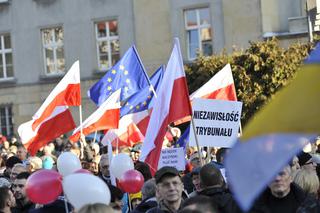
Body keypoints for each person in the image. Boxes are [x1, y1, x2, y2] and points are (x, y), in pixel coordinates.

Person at [251, 165, 320, 213]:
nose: (277, 178)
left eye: (282, 174)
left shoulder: (310, 205)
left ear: (290, 178)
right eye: (272, 175)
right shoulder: (253, 206)